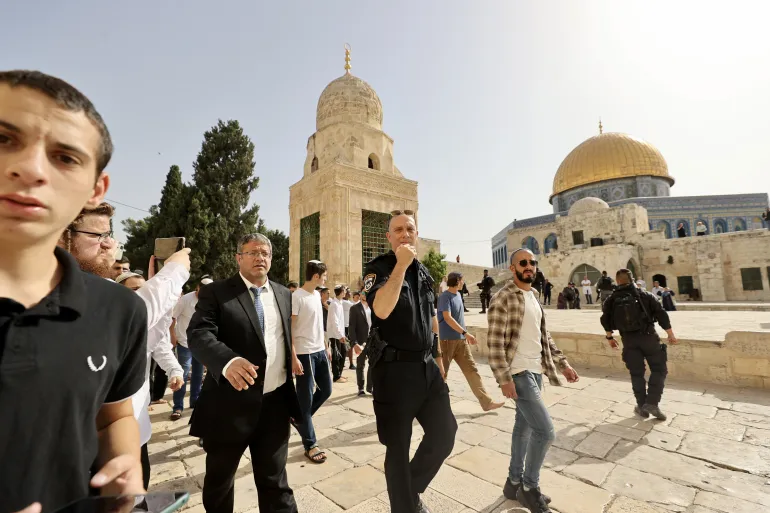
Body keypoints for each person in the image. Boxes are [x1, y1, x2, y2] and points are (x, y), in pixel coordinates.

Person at [0, 70, 148, 512]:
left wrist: (124, 464)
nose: (30, 168)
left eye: (64, 157)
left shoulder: (118, 311)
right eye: (5, 139)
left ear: (94, 189)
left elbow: (114, 416)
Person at [187, 233, 301, 513]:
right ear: (238, 258)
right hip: (229, 405)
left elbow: (280, 337)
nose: (260, 258)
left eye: (265, 253)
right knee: (220, 482)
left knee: (275, 481)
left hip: (274, 404)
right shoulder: (218, 292)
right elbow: (199, 333)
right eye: (253, 252)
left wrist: (293, 358)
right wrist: (227, 361)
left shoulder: (283, 293)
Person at [364, 211, 456, 513]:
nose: (405, 234)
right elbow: (381, 310)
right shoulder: (377, 269)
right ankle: (405, 505)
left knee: (444, 434)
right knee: (398, 448)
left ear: (417, 233)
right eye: (398, 230)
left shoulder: (425, 273)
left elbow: (431, 319)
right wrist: (401, 266)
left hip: (427, 368)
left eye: (410, 229)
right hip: (394, 373)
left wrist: (438, 357)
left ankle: (410, 489)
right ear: (389, 237)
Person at [487, 248, 579, 513]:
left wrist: (563, 364)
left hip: (536, 371)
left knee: (524, 428)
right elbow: (494, 343)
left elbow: (544, 336)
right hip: (518, 373)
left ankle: (513, 483)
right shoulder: (503, 297)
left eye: (532, 263)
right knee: (545, 432)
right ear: (512, 268)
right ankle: (529, 488)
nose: (529, 266)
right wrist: (504, 379)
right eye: (523, 263)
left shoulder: (534, 295)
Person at [116, 270, 185, 489]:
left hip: (137, 412)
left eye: (145, 290)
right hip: (108, 417)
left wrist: (175, 371)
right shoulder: (107, 322)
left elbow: (162, 349)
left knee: (140, 473)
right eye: (135, 290)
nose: (142, 295)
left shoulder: (151, 322)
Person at [601, 269, 678, 420]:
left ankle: (642, 406)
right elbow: (661, 314)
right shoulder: (645, 295)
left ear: (617, 281)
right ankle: (652, 403)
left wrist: (609, 337)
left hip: (628, 340)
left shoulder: (611, 299)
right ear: (632, 279)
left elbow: (605, 319)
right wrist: (670, 334)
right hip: (648, 338)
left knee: (636, 373)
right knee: (659, 369)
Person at [438, 272, 504, 411]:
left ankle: (486, 403)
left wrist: (464, 335)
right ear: (457, 281)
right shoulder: (444, 297)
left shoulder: (458, 295)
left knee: (472, 370)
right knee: (441, 374)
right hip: (447, 341)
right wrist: (466, 333)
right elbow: (447, 318)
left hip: (461, 341)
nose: (463, 283)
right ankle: (430, 407)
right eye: (462, 280)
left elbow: (458, 317)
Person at [290, 260, 333, 464]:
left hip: (319, 350)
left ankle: (299, 419)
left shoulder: (316, 295)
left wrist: (325, 345)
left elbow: (318, 323)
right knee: (305, 399)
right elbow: (290, 329)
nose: (326, 279)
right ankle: (310, 444)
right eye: (324, 276)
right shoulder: (297, 297)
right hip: (304, 353)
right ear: (316, 276)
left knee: (326, 390)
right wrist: (293, 357)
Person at [169, 277, 213, 420]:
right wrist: (172, 335)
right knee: (182, 374)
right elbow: (172, 317)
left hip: (201, 344)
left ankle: (195, 401)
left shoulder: (211, 300)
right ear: (197, 288)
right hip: (184, 343)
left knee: (198, 375)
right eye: (202, 290)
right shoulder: (185, 300)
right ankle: (177, 407)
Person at [349, 291, 373, 396]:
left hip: (372, 341)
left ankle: (370, 387)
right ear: (360, 295)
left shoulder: (373, 307)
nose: (365, 295)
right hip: (360, 341)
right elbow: (351, 327)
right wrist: (354, 343)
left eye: (367, 293)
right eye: (363, 293)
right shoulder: (354, 308)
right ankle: (361, 388)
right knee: (360, 365)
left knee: (373, 364)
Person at [327, 285, 349, 382]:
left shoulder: (340, 303)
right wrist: (339, 335)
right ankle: (336, 376)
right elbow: (334, 321)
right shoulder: (334, 304)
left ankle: (339, 374)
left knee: (343, 353)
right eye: (344, 291)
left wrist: (342, 335)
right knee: (336, 355)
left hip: (340, 334)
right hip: (335, 335)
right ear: (340, 292)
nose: (345, 293)